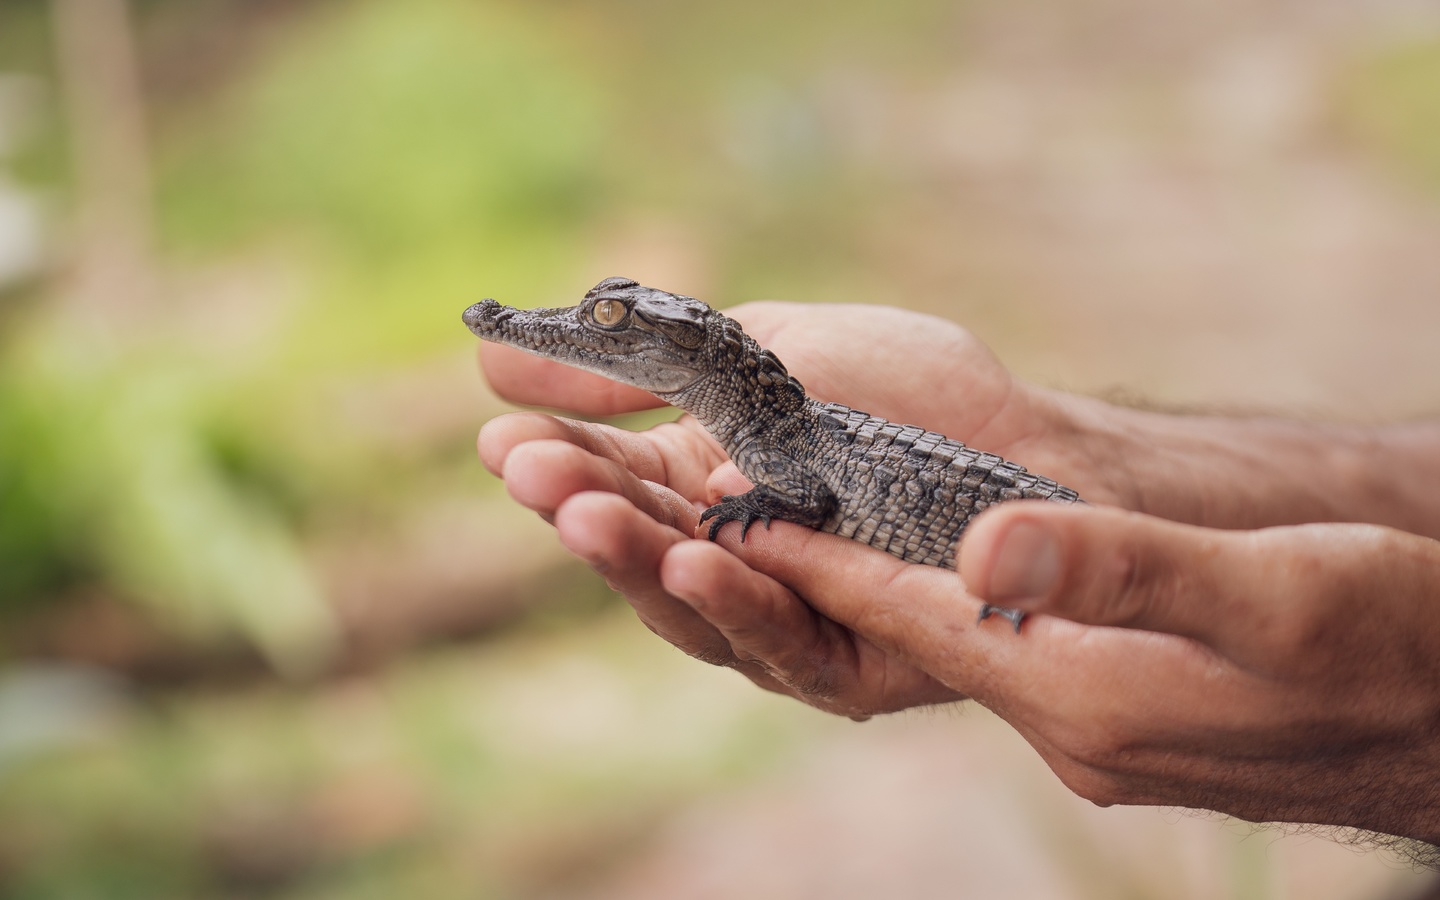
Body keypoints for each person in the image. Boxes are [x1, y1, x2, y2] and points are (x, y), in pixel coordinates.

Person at [474, 297, 1440, 857]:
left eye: (612, 321)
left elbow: (802, 503)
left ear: (691, 353)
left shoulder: (779, 445)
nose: (571, 328)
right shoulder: (775, 428)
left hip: (1029, 543)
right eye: (603, 313)